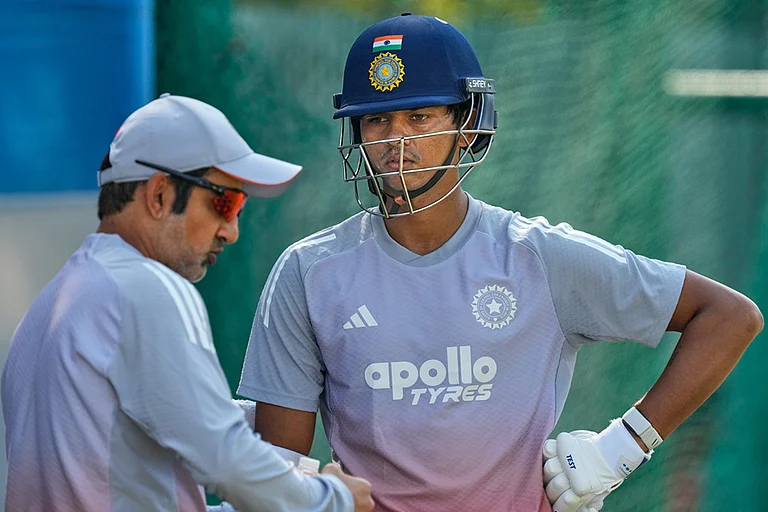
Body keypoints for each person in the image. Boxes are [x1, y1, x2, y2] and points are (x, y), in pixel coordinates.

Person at [236, 13, 763, 512]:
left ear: (467, 125)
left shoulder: (539, 255)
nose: (397, 141)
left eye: (419, 117)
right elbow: (282, 471)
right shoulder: (309, 271)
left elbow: (729, 317)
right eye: (376, 120)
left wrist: (620, 448)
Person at [1, 94, 375, 512]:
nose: (231, 231)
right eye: (225, 201)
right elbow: (225, 461)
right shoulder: (145, 288)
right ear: (159, 195)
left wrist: (281, 411)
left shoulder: (58, 300)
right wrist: (334, 499)